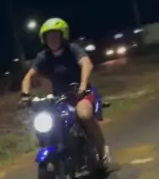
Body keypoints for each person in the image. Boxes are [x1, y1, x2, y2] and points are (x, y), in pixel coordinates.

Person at [21, 17, 109, 166]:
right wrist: (25, 96)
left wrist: (82, 86)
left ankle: (101, 150)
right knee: (49, 122)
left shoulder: (73, 49)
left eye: (55, 36)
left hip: (81, 94)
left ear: (63, 36)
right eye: (49, 37)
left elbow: (87, 64)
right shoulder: (43, 57)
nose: (52, 40)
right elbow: (28, 77)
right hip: (60, 98)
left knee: (84, 115)